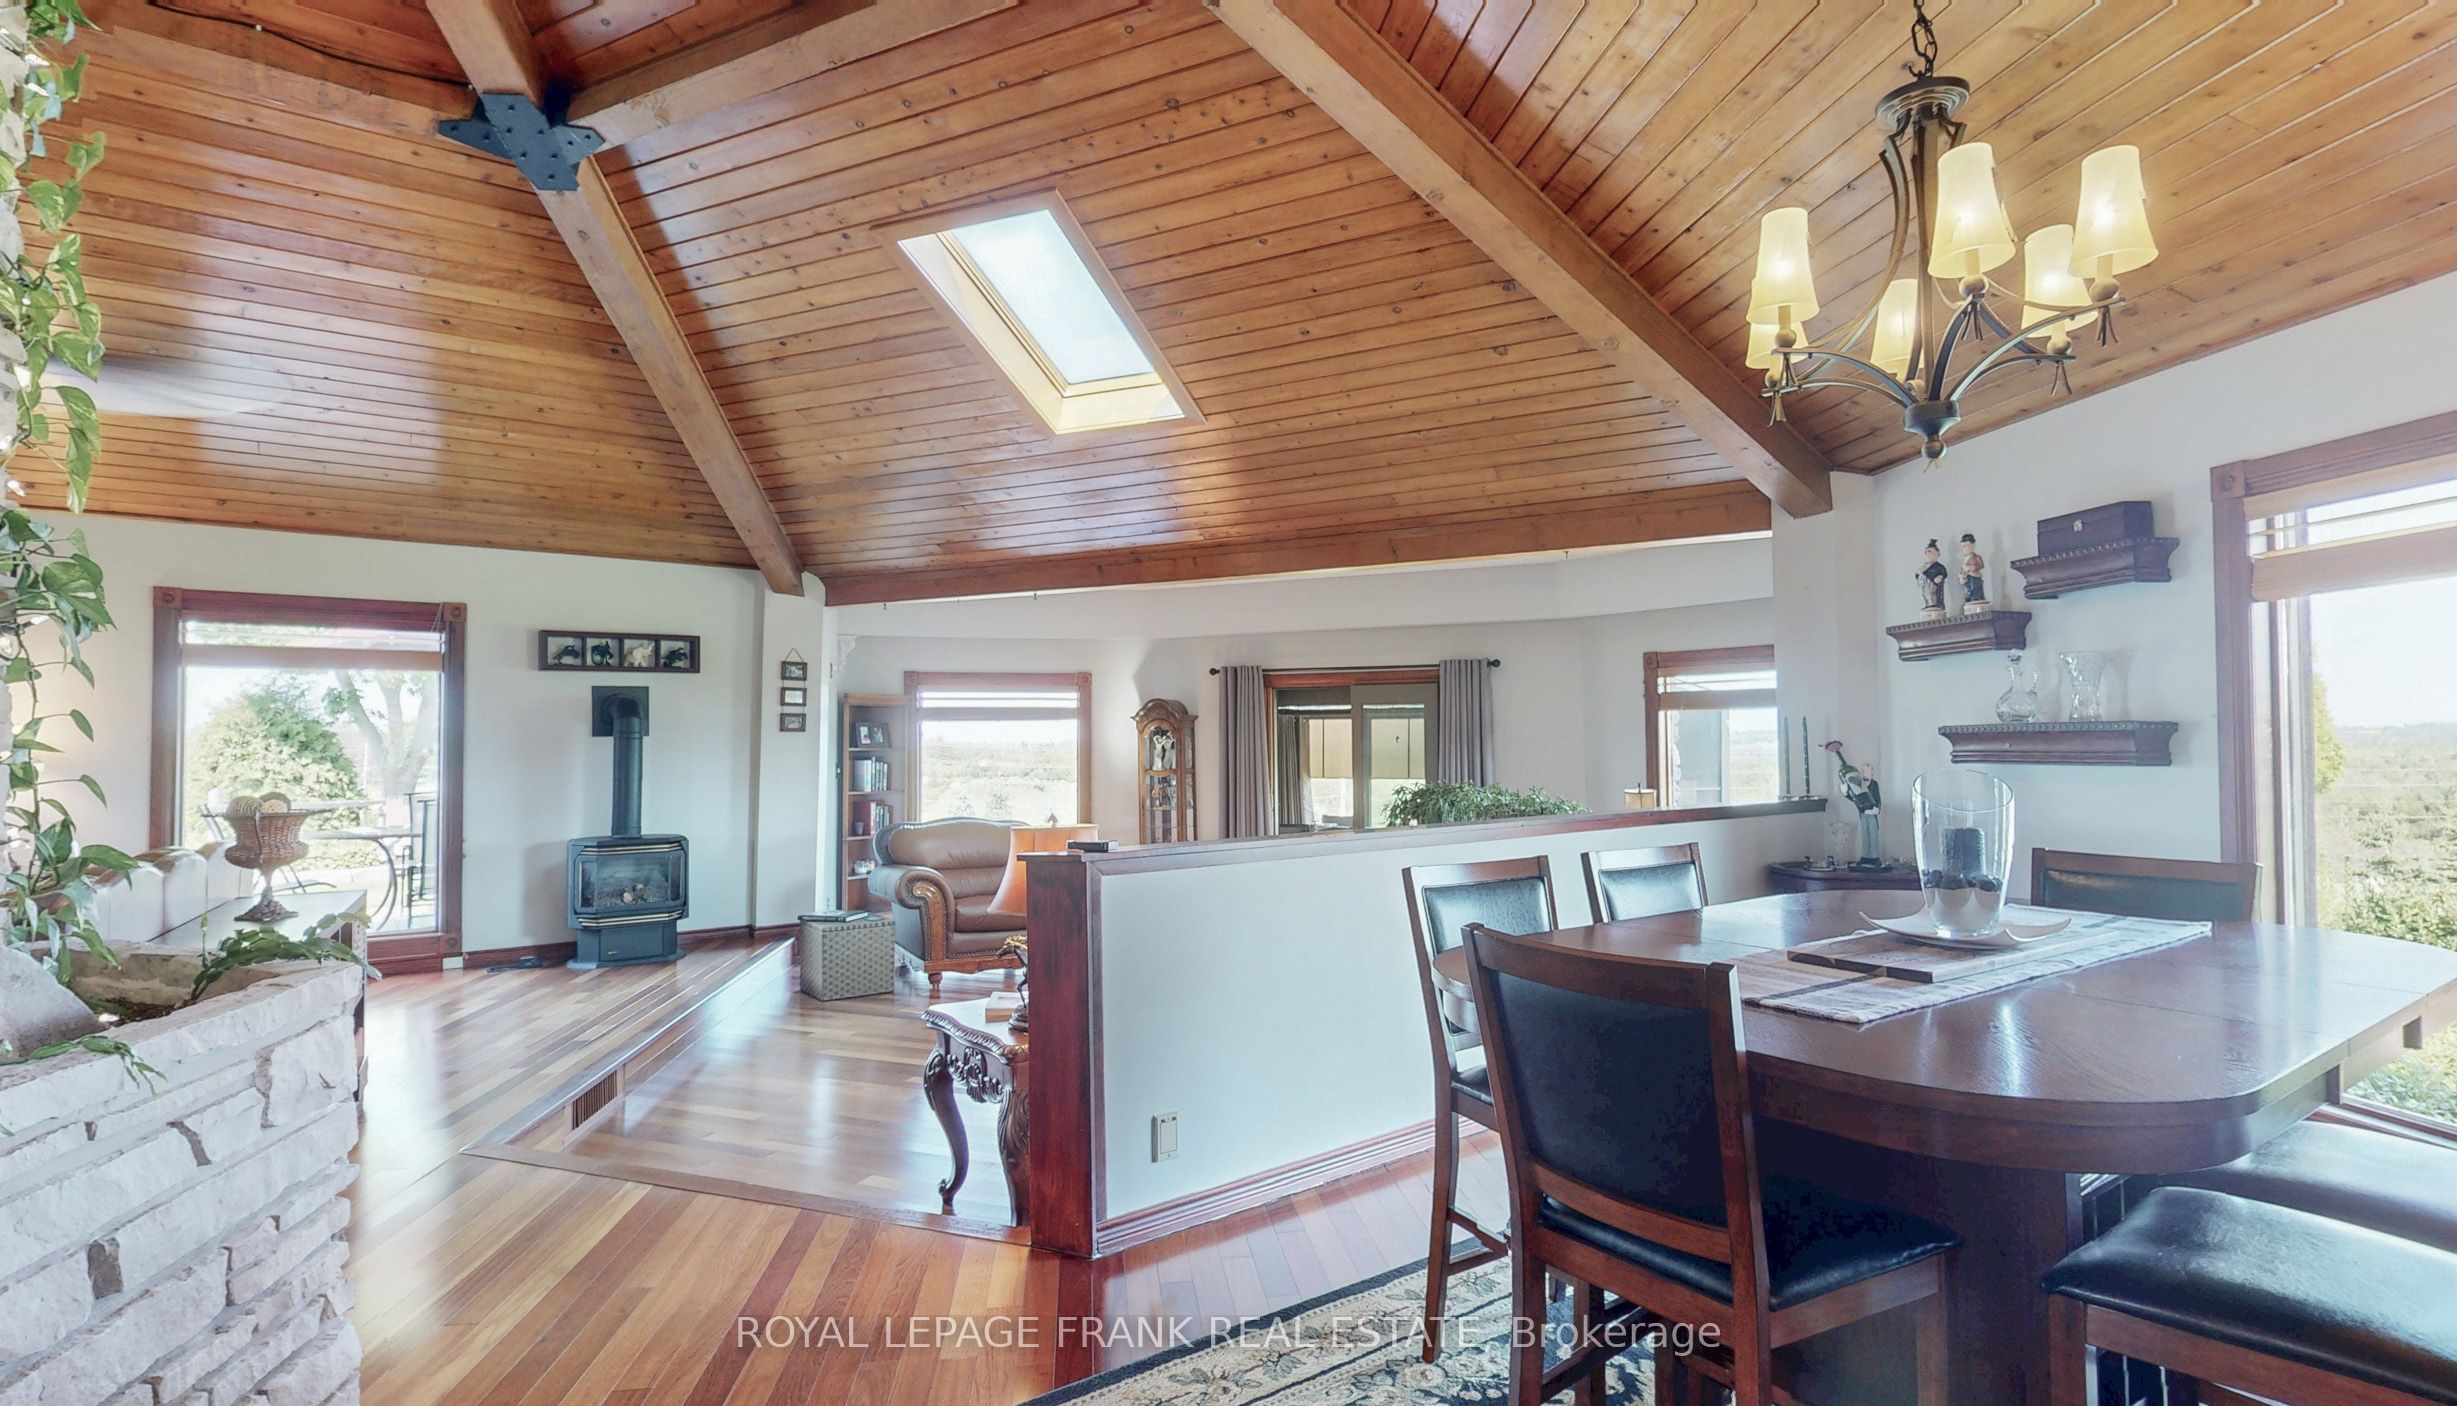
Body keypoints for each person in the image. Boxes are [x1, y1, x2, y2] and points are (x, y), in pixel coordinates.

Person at [1917, 539, 1950, 619]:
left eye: (1930, 551)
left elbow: (1942, 575)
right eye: (1926, 552)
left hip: (1934, 588)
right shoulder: (1925, 567)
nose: (1928, 554)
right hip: (1925, 589)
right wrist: (1926, 566)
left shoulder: (1939, 567)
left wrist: (1939, 577)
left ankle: (1933, 603)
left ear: (1937, 553)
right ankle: (1928, 603)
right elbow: (1918, 573)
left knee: (1934, 596)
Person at [1958, 532, 1988, 609]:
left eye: (1967, 546)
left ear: (1973, 545)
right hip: (1967, 579)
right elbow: (1962, 569)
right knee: (1968, 592)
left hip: (1975, 578)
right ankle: (1970, 601)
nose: (1965, 548)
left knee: (1975, 590)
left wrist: (1972, 567)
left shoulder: (1976, 557)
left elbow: (1981, 565)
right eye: (1963, 546)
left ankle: (1976, 600)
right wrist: (1961, 575)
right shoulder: (1964, 559)